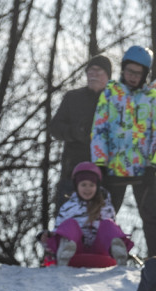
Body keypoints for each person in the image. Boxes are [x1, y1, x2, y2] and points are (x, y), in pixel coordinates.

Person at [91, 45, 156, 257]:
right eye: (129, 72)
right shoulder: (110, 94)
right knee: (103, 213)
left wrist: (155, 165)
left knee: (152, 214)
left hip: (143, 169)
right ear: (123, 70)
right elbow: (100, 128)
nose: (133, 77)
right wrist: (99, 162)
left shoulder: (153, 98)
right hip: (113, 167)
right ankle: (97, 253)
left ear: (145, 75)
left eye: (138, 73)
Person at [49, 54, 112, 209]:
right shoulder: (73, 97)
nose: (93, 74)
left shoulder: (116, 101)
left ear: (108, 76)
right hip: (72, 172)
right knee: (66, 221)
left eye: (99, 71)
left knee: (100, 224)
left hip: (104, 174)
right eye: (90, 70)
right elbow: (55, 128)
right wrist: (76, 132)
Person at [42, 162, 133, 267]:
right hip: (75, 254)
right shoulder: (68, 207)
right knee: (69, 224)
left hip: (102, 254)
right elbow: (57, 232)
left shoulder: (106, 207)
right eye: (83, 185)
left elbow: (108, 232)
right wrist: (46, 239)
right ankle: (65, 249)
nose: (87, 188)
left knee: (109, 225)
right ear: (76, 186)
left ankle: (118, 251)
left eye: (91, 185)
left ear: (97, 186)